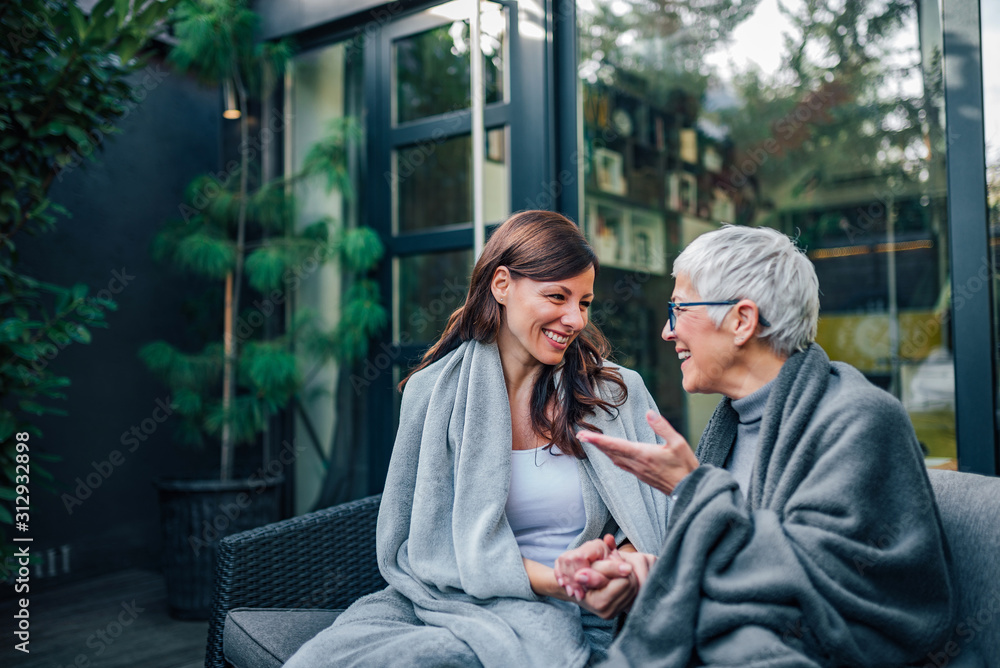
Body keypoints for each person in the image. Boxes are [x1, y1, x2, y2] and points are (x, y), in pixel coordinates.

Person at [283, 210, 671, 668]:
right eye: (557, 296)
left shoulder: (614, 394)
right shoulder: (434, 394)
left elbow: (656, 512)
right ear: (502, 285)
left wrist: (617, 570)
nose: (574, 319)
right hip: (456, 602)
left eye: (584, 303)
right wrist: (561, 580)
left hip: (589, 616)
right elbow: (422, 546)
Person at [555, 224, 954, 667]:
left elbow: (819, 587)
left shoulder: (860, 418)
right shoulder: (728, 424)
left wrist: (693, 488)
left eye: (680, 309)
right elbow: (725, 564)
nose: (668, 332)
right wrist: (636, 572)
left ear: (742, 320)